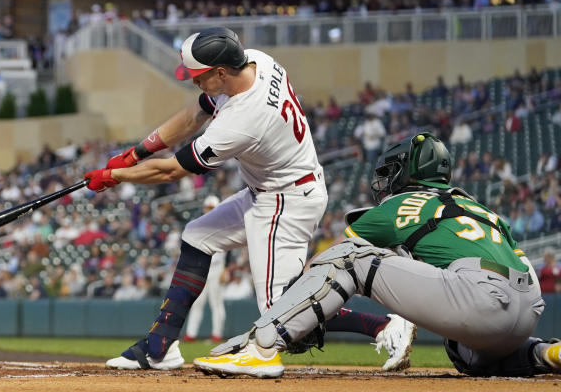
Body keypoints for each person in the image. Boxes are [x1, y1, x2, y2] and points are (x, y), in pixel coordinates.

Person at [87, 27, 414, 371]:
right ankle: (160, 346)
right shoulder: (257, 60)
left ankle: (383, 326)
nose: (194, 83)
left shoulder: (242, 121)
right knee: (197, 237)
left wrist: (115, 176)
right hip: (270, 189)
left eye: (199, 77)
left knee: (280, 309)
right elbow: (193, 115)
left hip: (285, 199)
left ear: (220, 72)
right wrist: (135, 153)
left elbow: (171, 172)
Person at [194, 132, 561, 379]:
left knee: (348, 259)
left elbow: (332, 259)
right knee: (464, 351)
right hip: (527, 305)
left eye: (391, 171)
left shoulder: (402, 203)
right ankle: (543, 354)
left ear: (408, 172)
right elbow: (523, 265)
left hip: (478, 296)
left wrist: (291, 309)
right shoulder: (478, 207)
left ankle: (262, 345)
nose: (385, 179)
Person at [183, 195, 226, 343]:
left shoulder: (224, 224)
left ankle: (217, 335)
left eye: (211, 207)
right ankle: (190, 334)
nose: (209, 210)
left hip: (217, 268)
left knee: (216, 303)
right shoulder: (199, 224)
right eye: (207, 207)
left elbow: (231, 250)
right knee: (197, 303)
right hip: (201, 268)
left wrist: (226, 269)